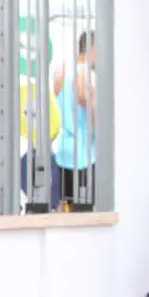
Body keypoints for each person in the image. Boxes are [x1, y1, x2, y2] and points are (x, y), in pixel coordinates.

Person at [51, 30, 97, 210]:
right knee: (84, 213)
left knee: (67, 212)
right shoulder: (86, 73)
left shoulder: (61, 73)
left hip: (64, 152)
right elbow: (83, 98)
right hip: (84, 155)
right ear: (92, 49)